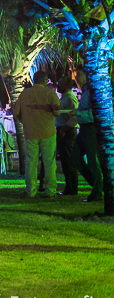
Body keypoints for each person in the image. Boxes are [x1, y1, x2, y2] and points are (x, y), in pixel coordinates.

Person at [13, 70, 61, 198]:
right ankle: (50, 190)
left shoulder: (25, 94)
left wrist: (25, 121)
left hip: (31, 132)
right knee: (49, 162)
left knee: (31, 162)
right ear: (44, 80)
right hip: (48, 131)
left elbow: (16, 112)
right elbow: (57, 112)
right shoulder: (50, 93)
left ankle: (30, 190)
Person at [73, 70, 102, 202]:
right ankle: (99, 186)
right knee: (75, 157)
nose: (76, 78)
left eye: (79, 75)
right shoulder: (85, 92)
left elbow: (96, 113)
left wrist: (78, 114)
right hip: (84, 127)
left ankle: (98, 189)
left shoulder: (93, 92)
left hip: (90, 127)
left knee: (92, 160)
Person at [55, 74, 79, 196]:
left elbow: (75, 117)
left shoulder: (70, 99)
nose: (58, 85)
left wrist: (64, 129)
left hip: (67, 132)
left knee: (69, 160)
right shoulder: (64, 98)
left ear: (68, 86)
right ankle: (69, 187)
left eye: (61, 84)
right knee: (65, 160)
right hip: (63, 130)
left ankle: (72, 188)